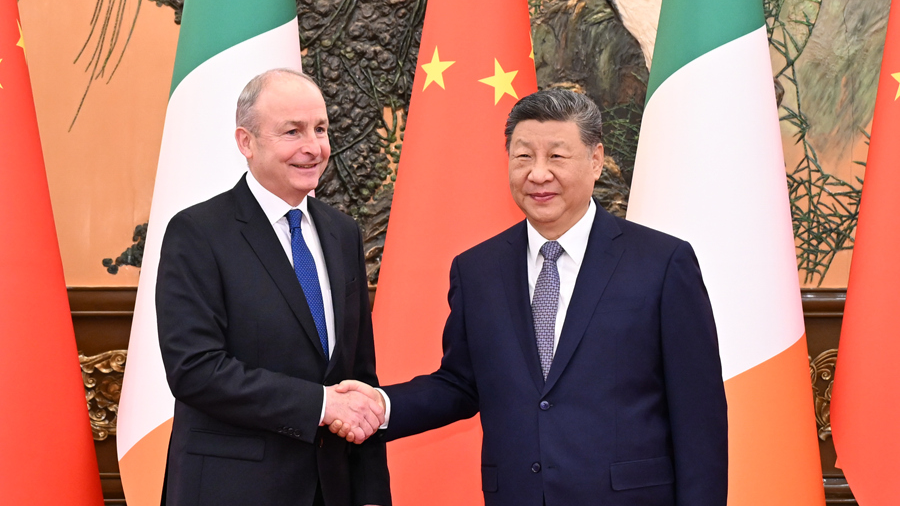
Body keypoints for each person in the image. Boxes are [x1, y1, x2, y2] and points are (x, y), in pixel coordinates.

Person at [334, 88, 728, 505]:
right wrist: (381, 405)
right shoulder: (477, 270)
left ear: (595, 160)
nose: (538, 174)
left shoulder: (662, 263)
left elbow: (698, 416)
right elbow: (460, 384)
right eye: (523, 156)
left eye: (556, 156)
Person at [156, 69, 391, 506]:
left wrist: (373, 496)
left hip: (331, 489)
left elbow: (358, 378)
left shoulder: (343, 233)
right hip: (232, 491)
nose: (313, 147)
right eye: (292, 131)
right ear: (246, 142)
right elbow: (195, 369)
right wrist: (319, 405)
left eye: (320, 129)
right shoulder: (198, 233)